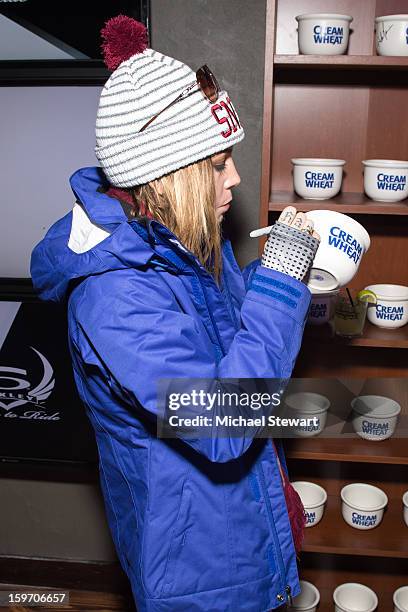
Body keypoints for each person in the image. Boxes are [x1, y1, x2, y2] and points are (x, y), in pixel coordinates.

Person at [30, 16, 320, 612]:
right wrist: (284, 280)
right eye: (217, 165)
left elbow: (242, 353)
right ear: (168, 176)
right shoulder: (115, 295)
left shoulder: (186, 240)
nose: (234, 179)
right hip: (196, 567)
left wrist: (275, 278)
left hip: (235, 529)